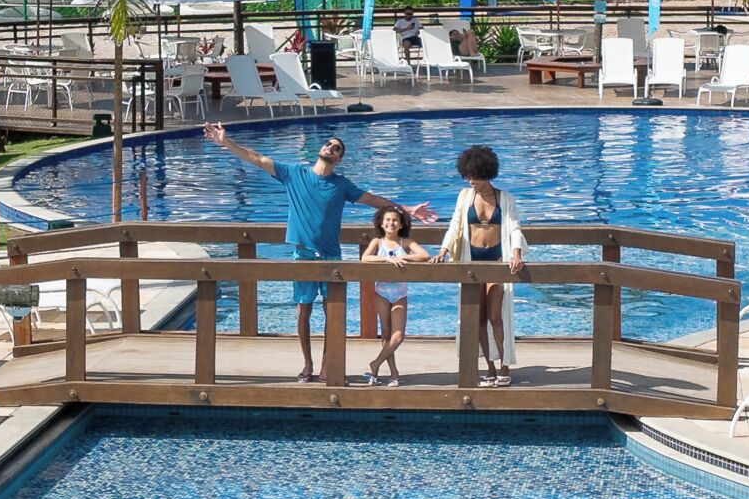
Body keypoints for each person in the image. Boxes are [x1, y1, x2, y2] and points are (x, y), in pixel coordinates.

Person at [205, 124, 426, 381]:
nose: (330, 148)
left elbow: (372, 200)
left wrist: (406, 209)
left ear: (339, 159)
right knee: (303, 313)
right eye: (328, 144)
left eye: (336, 148)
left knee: (332, 314)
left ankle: (326, 367)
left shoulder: (341, 184)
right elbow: (257, 158)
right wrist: (226, 142)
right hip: (303, 255)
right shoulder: (294, 173)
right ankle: (307, 364)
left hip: (331, 257)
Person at [436, 142, 530, 376]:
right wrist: (444, 249)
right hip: (472, 259)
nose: (471, 182)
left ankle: (504, 366)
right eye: (467, 177)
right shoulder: (464, 196)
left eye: (475, 177)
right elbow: (455, 225)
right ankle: (489, 366)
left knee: (495, 315)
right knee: (477, 317)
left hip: (497, 259)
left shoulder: (504, 198)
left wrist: (516, 252)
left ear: (487, 174)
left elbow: (514, 227)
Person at [357, 203, 423, 384]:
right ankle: (394, 373)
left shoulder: (405, 242)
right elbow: (365, 258)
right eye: (387, 220)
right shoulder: (377, 242)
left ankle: (375, 363)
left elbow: (423, 255)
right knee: (386, 333)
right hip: (382, 293)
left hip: (400, 294)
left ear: (401, 224)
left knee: (398, 335)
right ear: (381, 223)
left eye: (395, 220)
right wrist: (387, 259)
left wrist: (404, 257)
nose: (391, 223)